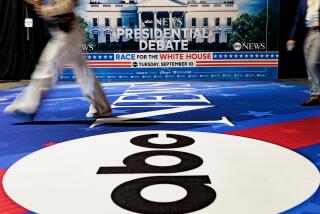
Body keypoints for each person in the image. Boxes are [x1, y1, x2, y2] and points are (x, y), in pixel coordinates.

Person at [4, 0, 112, 118]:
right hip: (68, 32)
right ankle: (101, 107)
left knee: (48, 68)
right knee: (83, 73)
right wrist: (41, 6)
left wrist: (44, 8)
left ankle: (28, 106)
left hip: (66, 33)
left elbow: (68, 4)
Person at [287, 0, 320, 106]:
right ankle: (315, 96)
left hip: (318, 33)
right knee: (309, 67)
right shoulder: (302, 1)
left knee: (313, 63)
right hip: (308, 33)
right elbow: (298, 20)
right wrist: (292, 37)